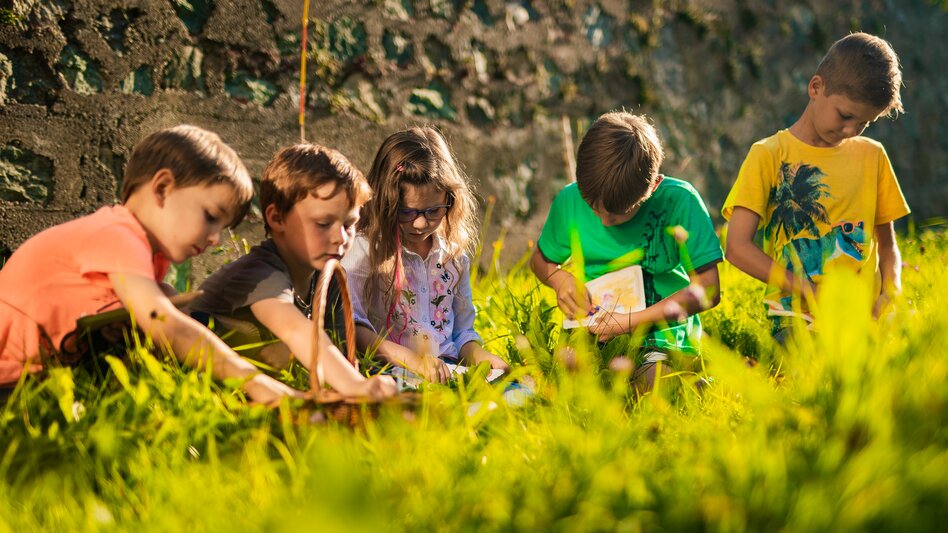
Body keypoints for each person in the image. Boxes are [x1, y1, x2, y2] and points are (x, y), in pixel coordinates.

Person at [0, 125, 301, 404]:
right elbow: (166, 327)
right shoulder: (117, 235)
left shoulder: (144, 252)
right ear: (162, 188)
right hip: (12, 384)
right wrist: (256, 384)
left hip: (48, 380)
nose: (216, 239)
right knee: (167, 312)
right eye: (211, 216)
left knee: (168, 296)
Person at [722, 32, 910, 343]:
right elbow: (737, 247)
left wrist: (892, 291)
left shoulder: (873, 155)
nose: (850, 130)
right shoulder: (768, 154)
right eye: (845, 115)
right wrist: (806, 290)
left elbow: (888, 247)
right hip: (795, 319)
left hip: (862, 322)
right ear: (816, 87)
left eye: (864, 123)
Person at [530, 111, 723, 392]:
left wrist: (628, 323)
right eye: (592, 207)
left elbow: (708, 290)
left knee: (649, 382)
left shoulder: (679, 200)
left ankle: (688, 384)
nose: (604, 221)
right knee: (568, 384)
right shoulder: (569, 200)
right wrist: (560, 280)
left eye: (620, 215)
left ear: (654, 185)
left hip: (661, 334)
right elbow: (540, 261)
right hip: (591, 331)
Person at [190, 143, 397, 400]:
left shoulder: (328, 276)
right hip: (194, 373)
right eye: (323, 224)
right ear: (277, 219)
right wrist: (355, 386)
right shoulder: (261, 271)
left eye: (349, 224)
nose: (340, 237)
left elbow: (340, 350)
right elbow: (294, 329)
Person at [342, 126, 509, 384]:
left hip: (449, 370)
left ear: (450, 202)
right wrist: (415, 361)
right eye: (407, 212)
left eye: (433, 211)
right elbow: (353, 324)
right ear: (385, 202)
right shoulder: (366, 249)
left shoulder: (452, 256)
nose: (420, 224)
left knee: (518, 395)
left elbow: (462, 332)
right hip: (390, 371)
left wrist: (481, 356)